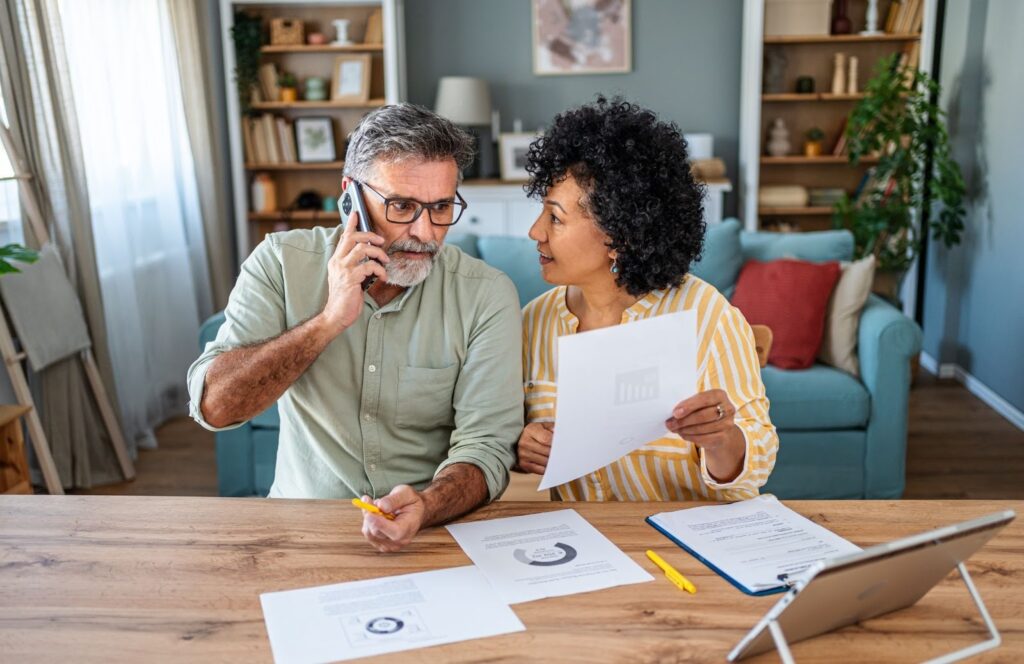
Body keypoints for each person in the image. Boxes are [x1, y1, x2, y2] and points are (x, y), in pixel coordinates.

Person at [187, 104, 523, 552]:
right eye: (402, 206)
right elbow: (216, 407)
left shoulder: (486, 294)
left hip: (432, 531)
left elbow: (487, 449)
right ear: (352, 197)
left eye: (441, 207)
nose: (425, 232)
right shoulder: (279, 262)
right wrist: (328, 322)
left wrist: (425, 505)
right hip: (302, 529)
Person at [517, 97, 778, 501]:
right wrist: (522, 445)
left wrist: (721, 438)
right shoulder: (534, 323)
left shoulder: (706, 316)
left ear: (619, 236)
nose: (536, 231)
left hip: (685, 543)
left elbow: (755, 467)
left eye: (555, 217)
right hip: (582, 547)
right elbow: (504, 445)